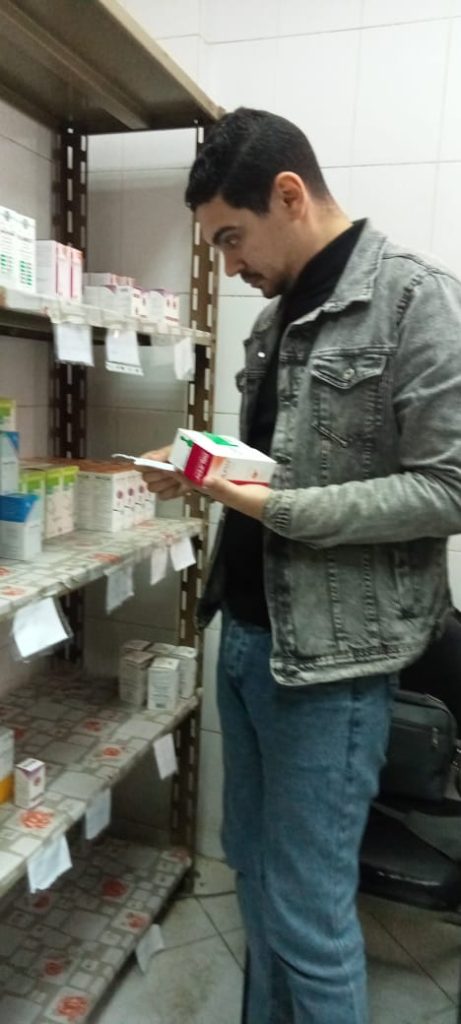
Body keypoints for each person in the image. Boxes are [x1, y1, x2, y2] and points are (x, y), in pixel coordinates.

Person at [141, 108, 461, 1024]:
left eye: (230, 239)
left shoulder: (414, 300)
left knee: (309, 912)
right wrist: (198, 469)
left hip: (332, 669)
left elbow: (446, 487)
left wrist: (278, 509)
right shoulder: (277, 315)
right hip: (247, 641)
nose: (228, 265)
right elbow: (278, 465)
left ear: (288, 195)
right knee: (252, 868)